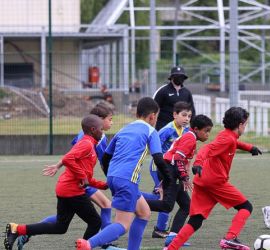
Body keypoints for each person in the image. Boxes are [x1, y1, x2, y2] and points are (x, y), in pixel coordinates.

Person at [75, 97, 172, 250]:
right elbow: (159, 160)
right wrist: (168, 181)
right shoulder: (151, 131)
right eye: (157, 116)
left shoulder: (124, 129)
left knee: (144, 212)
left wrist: (110, 176)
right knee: (122, 224)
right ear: (152, 116)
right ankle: (89, 243)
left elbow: (106, 157)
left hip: (114, 177)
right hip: (127, 180)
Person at [15, 103, 115, 249]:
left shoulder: (95, 139)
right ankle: (96, 243)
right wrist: (78, 175)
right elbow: (70, 157)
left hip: (71, 186)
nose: (111, 123)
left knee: (61, 225)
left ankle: (21, 230)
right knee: (97, 218)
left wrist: (104, 184)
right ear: (96, 124)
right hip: (74, 187)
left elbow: (82, 164)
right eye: (109, 119)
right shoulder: (86, 140)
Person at [164, 107, 262, 250]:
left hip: (202, 181)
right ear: (240, 125)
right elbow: (206, 149)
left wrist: (249, 147)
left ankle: (170, 248)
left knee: (196, 220)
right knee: (246, 207)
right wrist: (197, 163)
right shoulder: (228, 138)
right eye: (245, 124)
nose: (245, 127)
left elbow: (233, 143)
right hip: (214, 181)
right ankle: (230, 238)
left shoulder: (227, 136)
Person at [146, 114, 213, 247]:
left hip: (171, 170)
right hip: (170, 170)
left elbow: (180, 159)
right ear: (196, 129)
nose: (208, 135)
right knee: (167, 205)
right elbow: (177, 158)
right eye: (206, 131)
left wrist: (182, 176)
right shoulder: (190, 138)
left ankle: (172, 237)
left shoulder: (190, 137)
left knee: (186, 205)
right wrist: (184, 177)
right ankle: (136, 203)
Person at [141, 101, 192, 239]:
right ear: (175, 115)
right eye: (184, 115)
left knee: (166, 198)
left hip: (173, 169)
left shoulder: (187, 131)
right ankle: (159, 228)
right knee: (166, 198)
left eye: (189, 116)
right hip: (159, 167)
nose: (187, 119)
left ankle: (164, 231)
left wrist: (184, 171)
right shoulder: (167, 130)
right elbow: (153, 147)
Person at [153, 66, 195, 130]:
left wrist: (193, 125)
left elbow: (191, 109)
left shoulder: (187, 92)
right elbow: (154, 107)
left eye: (181, 77)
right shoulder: (163, 91)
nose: (179, 78)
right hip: (164, 126)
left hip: (181, 127)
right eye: (177, 76)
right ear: (171, 77)